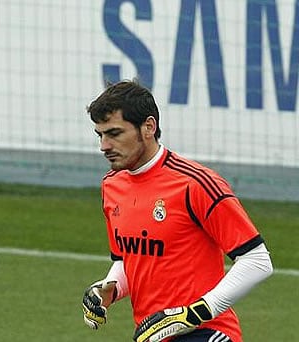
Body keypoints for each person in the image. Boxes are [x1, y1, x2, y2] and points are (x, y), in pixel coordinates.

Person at [80, 79, 273, 342]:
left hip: (207, 332)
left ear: (149, 127)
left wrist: (194, 313)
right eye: (100, 135)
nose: (104, 146)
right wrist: (109, 289)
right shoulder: (111, 186)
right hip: (152, 335)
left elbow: (257, 260)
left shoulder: (195, 183)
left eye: (114, 134)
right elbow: (128, 258)